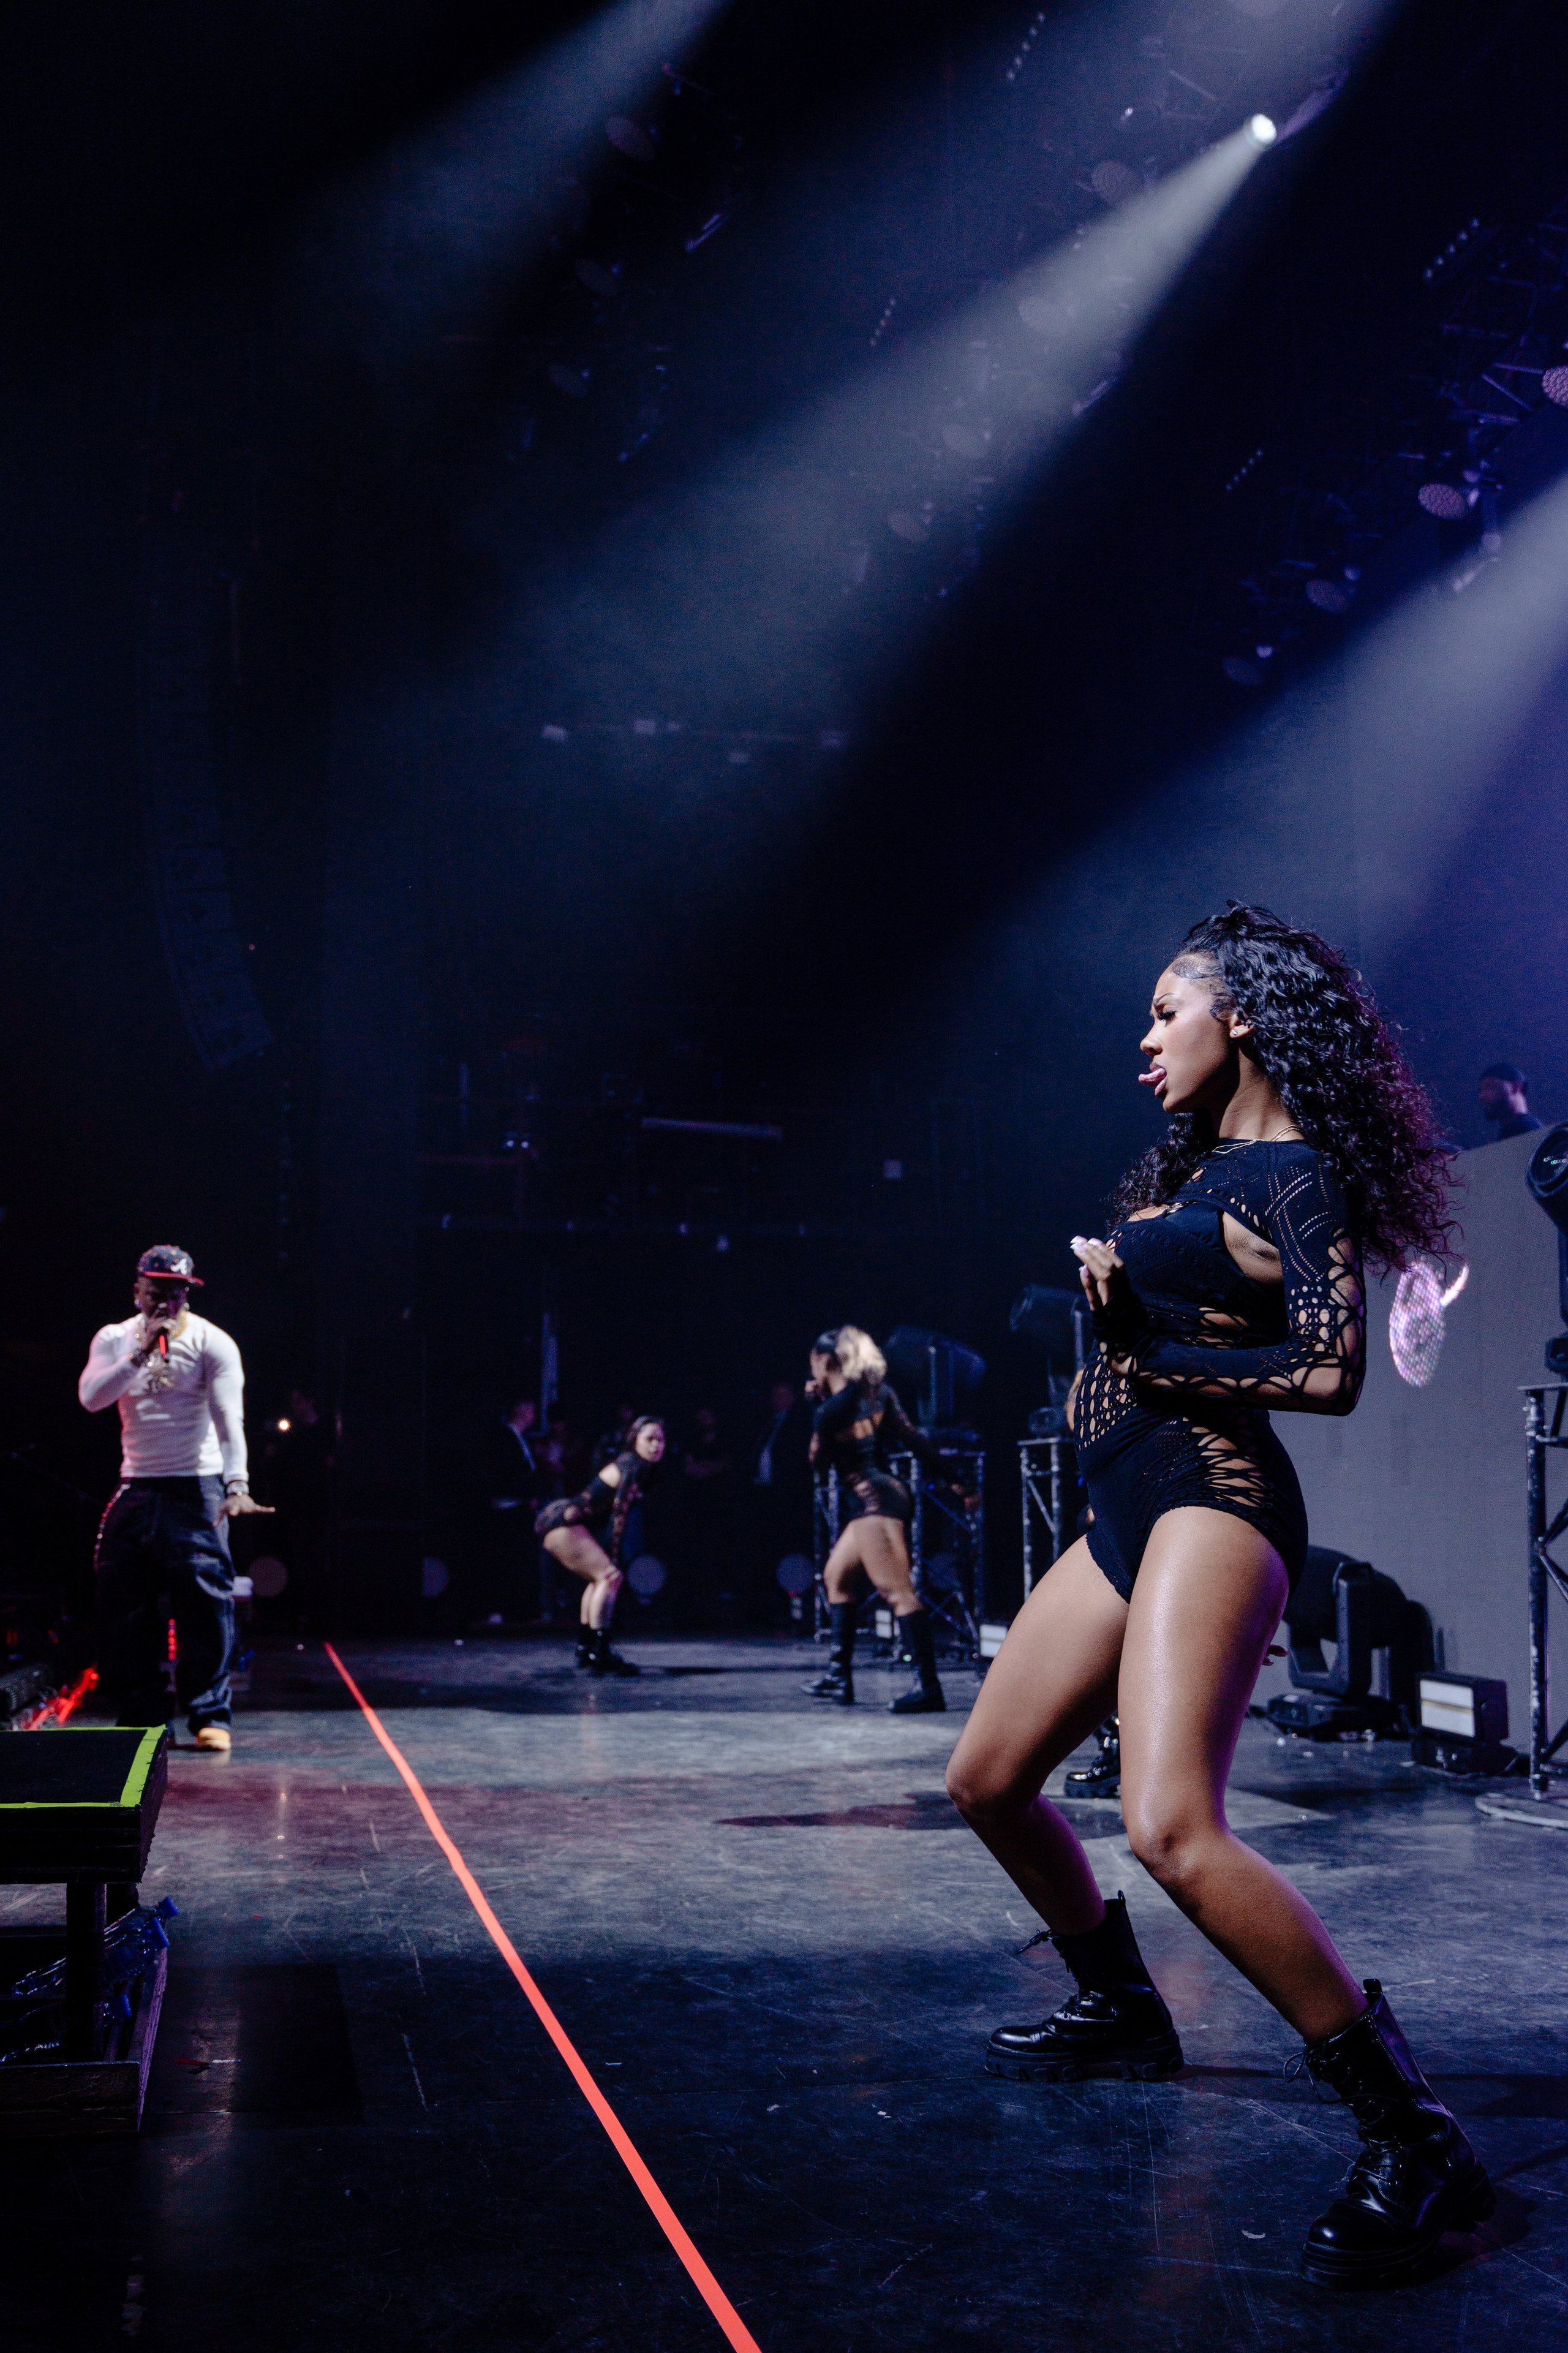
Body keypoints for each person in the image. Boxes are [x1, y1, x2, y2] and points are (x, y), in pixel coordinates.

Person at [945, 904, 1490, 2290]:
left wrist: (1154, 1358)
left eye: (1164, 1009)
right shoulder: (1195, 1169)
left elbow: (1330, 1368)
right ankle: (1121, 2002)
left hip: (1212, 1497)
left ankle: (1412, 2132)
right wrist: (1120, 1309)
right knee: (988, 1779)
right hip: (1126, 1505)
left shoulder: (1294, 1174)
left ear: (1237, 1013)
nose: (1143, 1041)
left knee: (1169, 1826)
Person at [78, 1245, 273, 1753]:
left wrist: (237, 1485)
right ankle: (142, 1712)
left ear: (188, 1293)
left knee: (205, 1601)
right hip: (138, 1482)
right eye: (157, 1291)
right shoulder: (114, 1338)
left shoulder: (213, 1341)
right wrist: (141, 1353)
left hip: (196, 1484)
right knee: (125, 1601)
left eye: (177, 1292)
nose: (167, 1301)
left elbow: (230, 1420)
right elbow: (92, 1397)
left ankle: (209, 1713)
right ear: (137, 1290)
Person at [805, 1326, 976, 1714]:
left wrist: (817, 1412)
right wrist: (957, 1481)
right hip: (884, 1496)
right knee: (837, 1577)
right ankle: (839, 1676)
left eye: (813, 1363)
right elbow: (915, 1441)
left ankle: (928, 1687)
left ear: (826, 1361)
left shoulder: (829, 1412)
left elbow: (819, 1465)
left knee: (898, 1591)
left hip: (874, 1503)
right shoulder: (879, 1394)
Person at [535, 1415, 666, 1677]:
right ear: (635, 1440)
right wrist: (613, 1558)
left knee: (599, 1580)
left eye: (660, 1440)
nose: (656, 1445)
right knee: (609, 1577)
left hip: (562, 1523)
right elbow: (619, 1514)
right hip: (564, 1522)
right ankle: (600, 1651)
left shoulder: (638, 1467)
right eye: (649, 1439)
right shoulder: (632, 1465)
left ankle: (587, 1648)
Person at [482, 1397, 542, 1625]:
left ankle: (521, 1609)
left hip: (520, 1507)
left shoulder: (521, 1439)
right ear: (521, 1411)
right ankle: (502, 1607)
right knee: (507, 1559)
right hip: (509, 1507)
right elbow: (506, 1473)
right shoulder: (504, 1438)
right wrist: (526, 1494)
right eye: (531, 1410)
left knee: (521, 1559)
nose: (534, 1415)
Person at [1477, 1060, 1543, 1143]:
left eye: (1490, 1087)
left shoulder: (1527, 1131)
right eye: (1481, 1090)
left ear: (1515, 1088)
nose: (1482, 1096)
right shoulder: (1516, 1130)